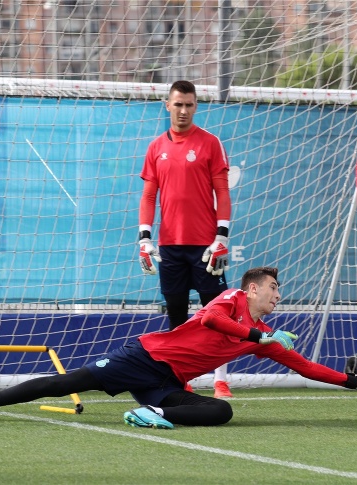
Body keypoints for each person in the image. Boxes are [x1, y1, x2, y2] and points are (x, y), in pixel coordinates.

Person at [0, 267, 357, 427]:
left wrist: (353, 382)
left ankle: (152, 413)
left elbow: (304, 366)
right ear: (252, 289)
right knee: (63, 383)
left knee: (222, 411)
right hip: (143, 357)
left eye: (278, 290)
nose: (277, 295)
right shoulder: (231, 299)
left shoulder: (264, 336)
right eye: (272, 288)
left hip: (166, 382)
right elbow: (208, 319)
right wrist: (257, 337)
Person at [137, 80, 235, 398]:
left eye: (189, 104)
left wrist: (221, 237)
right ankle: (180, 380)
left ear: (196, 106)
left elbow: (222, 192)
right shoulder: (156, 148)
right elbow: (148, 196)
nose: (183, 110)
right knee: (176, 317)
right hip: (170, 247)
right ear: (167, 105)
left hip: (206, 247)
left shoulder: (210, 143)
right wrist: (144, 238)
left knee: (217, 316)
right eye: (177, 104)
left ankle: (220, 380)